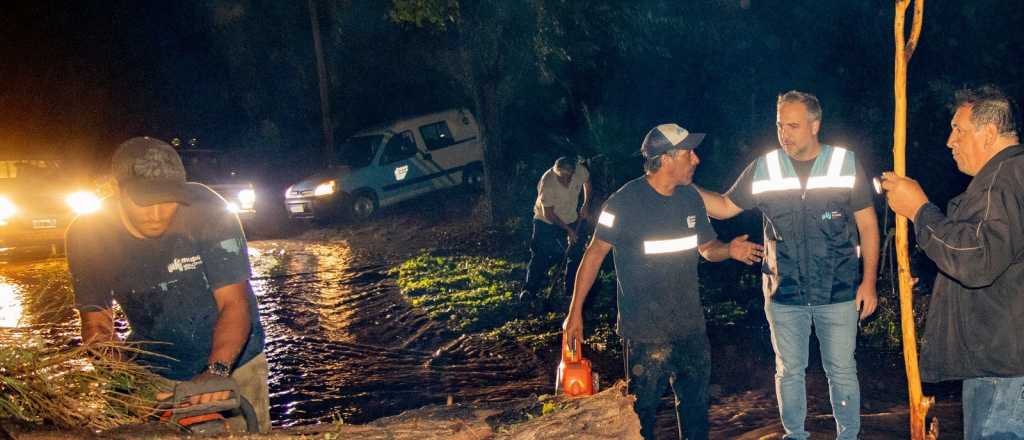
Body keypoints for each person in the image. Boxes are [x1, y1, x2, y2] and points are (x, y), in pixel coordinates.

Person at [563, 123, 764, 440]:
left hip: (690, 330)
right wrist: (574, 313)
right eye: (689, 153)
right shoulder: (621, 204)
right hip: (645, 335)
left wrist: (729, 250)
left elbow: (707, 248)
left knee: (696, 417)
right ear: (667, 158)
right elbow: (594, 254)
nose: (696, 159)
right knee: (641, 420)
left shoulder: (691, 199)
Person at [698, 90, 879, 439]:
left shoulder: (844, 163)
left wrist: (868, 282)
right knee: (788, 370)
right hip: (783, 292)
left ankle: (848, 435)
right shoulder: (765, 167)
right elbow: (723, 206)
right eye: (781, 125)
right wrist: (684, 186)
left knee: (841, 370)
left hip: (838, 290)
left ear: (815, 125)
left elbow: (868, 225)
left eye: (793, 126)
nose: (785, 134)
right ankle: (795, 434)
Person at [66, 137, 270, 433]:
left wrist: (216, 371)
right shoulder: (89, 235)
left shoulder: (209, 211)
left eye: (169, 198)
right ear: (118, 190)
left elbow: (234, 303)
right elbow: (97, 326)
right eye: (144, 201)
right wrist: (130, 383)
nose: (158, 212)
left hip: (236, 363)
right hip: (154, 371)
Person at [881, 85, 1024, 440]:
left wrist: (919, 210)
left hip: (1002, 369)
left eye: (958, 129)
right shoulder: (1013, 177)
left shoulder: (1000, 183)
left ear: (989, 133)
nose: (949, 141)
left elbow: (976, 259)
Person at [520, 156, 591, 304]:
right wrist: (568, 231)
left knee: (576, 252)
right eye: (562, 176)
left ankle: (571, 290)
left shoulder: (579, 170)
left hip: (571, 218)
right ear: (556, 171)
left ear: (572, 171)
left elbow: (587, 182)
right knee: (540, 254)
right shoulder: (548, 182)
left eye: (568, 176)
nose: (565, 179)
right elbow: (549, 213)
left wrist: (585, 204)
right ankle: (529, 290)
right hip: (546, 222)